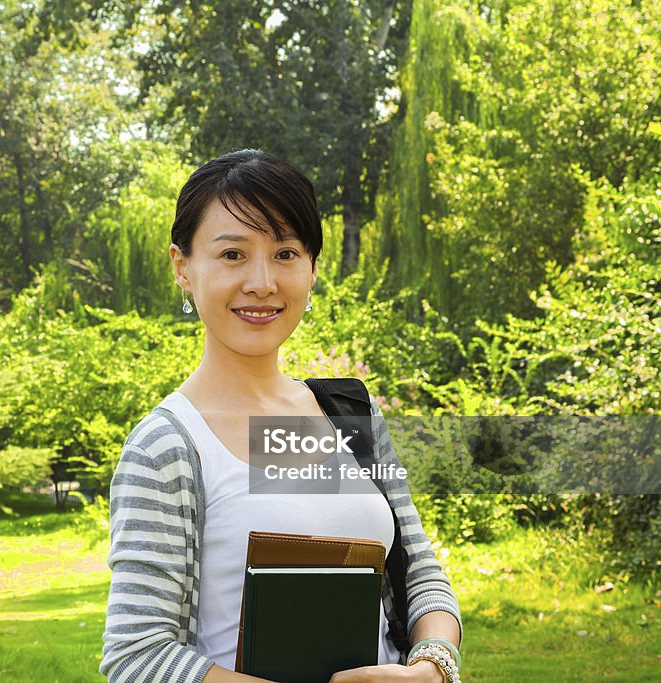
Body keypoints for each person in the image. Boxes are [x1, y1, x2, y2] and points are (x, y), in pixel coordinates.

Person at [99, 150, 462, 683]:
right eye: (232, 255)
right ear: (183, 267)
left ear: (312, 268)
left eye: (286, 252)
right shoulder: (169, 444)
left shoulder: (350, 414)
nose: (263, 282)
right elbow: (137, 655)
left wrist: (432, 668)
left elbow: (421, 575)